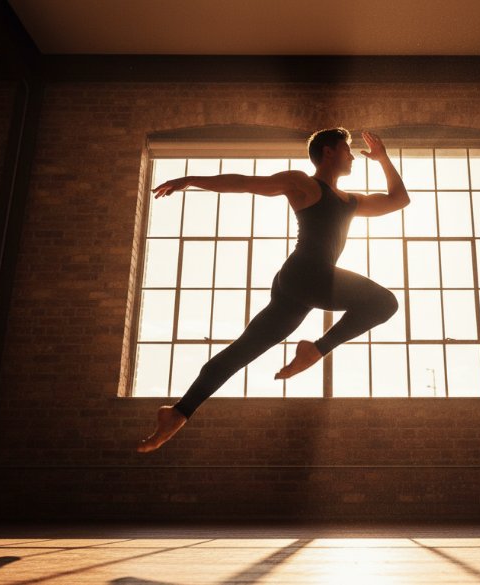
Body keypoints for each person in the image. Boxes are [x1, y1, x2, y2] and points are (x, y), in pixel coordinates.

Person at [137, 128, 409, 453]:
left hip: (298, 285)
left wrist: (383, 159)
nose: (353, 156)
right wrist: (192, 179)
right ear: (328, 152)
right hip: (307, 274)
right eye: (347, 150)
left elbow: (398, 200)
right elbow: (245, 183)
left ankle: (179, 412)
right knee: (384, 302)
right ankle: (316, 349)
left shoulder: (350, 201)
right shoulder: (304, 184)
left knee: (244, 349)